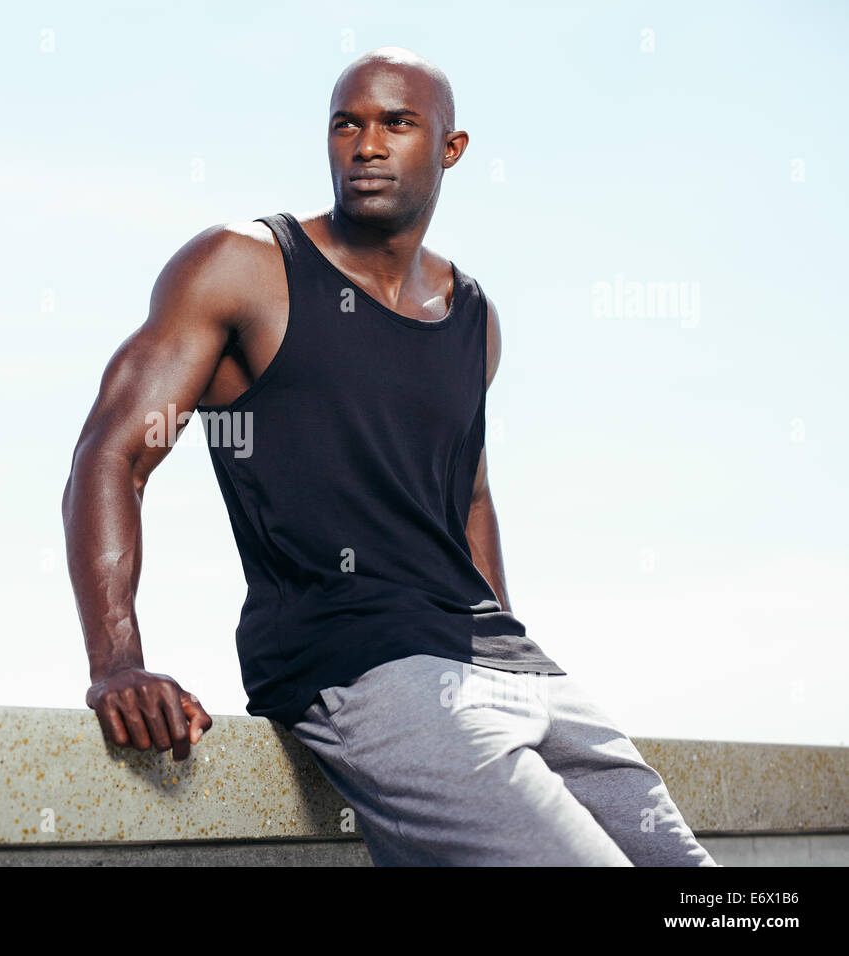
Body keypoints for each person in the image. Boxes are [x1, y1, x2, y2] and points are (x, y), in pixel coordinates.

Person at [62, 46, 717, 866]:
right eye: (348, 124)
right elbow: (112, 455)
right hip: (357, 666)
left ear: (451, 148)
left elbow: (468, 497)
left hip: (513, 670)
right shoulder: (243, 268)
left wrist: (505, 645)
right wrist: (118, 664)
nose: (367, 145)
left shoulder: (472, 315)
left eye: (397, 124)